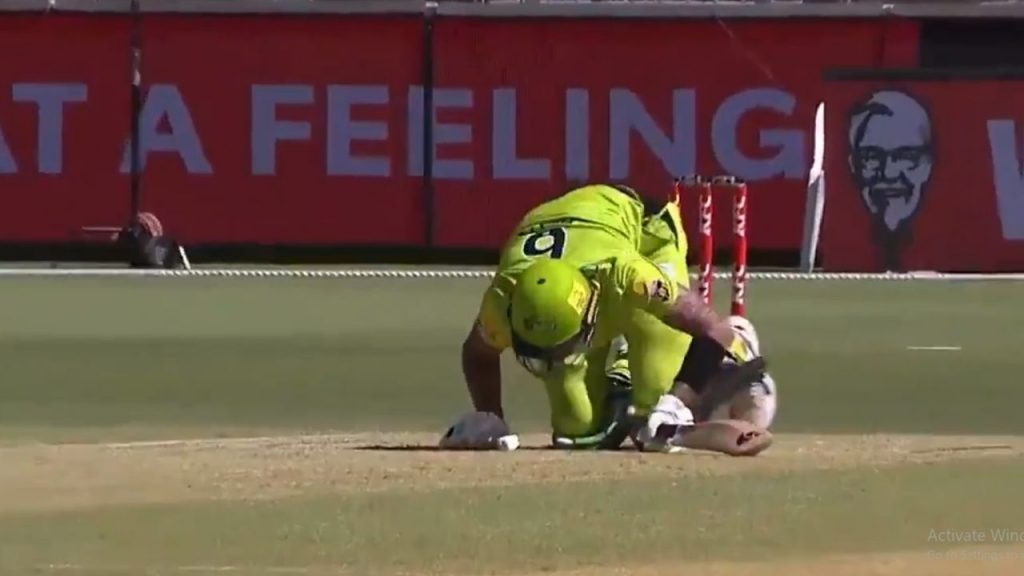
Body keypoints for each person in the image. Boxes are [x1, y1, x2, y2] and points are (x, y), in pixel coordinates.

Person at [459, 183, 770, 453]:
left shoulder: (629, 276)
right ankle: (623, 380)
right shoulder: (504, 298)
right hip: (572, 232)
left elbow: (713, 328)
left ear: (590, 311)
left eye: (559, 351)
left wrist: (676, 402)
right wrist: (491, 417)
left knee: (653, 404)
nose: (551, 363)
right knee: (576, 432)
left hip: (648, 234)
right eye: (542, 353)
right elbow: (477, 353)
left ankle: (738, 352)